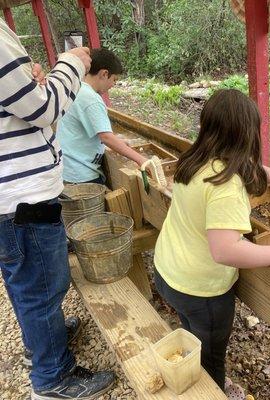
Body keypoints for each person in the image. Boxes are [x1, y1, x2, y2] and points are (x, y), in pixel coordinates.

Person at [153, 89, 270, 390]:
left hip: (167, 273)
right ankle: (210, 390)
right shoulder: (227, 187)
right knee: (211, 357)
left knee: (194, 334)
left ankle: (193, 362)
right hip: (201, 291)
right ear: (247, 133)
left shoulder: (194, 159)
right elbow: (224, 250)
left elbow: (241, 165)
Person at [0, 18, 115, 400]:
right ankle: (53, 378)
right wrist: (70, 63)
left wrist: (35, 80)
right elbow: (45, 110)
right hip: (23, 197)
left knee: (25, 280)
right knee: (45, 285)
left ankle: (41, 342)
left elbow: (26, 101)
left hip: (12, 198)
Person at [56, 48, 147, 185]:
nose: (113, 85)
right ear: (104, 74)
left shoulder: (76, 87)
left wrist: (118, 141)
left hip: (67, 169)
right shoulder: (91, 99)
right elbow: (106, 137)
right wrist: (142, 160)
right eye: (114, 79)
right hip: (81, 175)